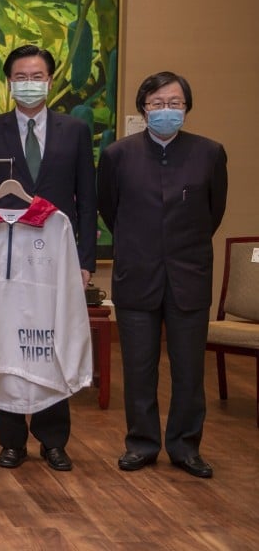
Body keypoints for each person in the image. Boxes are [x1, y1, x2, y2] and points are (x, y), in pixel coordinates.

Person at [0, 44, 96, 471]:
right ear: (9, 83)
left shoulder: (75, 131)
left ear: (50, 79)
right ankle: (11, 440)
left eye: (36, 75)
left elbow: (88, 199)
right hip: (4, 260)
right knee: (11, 344)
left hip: (56, 260)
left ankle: (53, 438)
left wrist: (85, 260)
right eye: (20, 76)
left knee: (49, 343)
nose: (28, 83)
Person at [98, 71, 227, 479]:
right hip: (137, 274)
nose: (166, 111)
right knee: (138, 367)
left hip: (189, 277)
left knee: (189, 370)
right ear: (143, 108)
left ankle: (186, 447)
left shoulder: (209, 153)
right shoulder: (119, 155)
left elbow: (214, 212)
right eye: (157, 104)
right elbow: (109, 209)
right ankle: (141, 444)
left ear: (187, 108)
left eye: (175, 103)